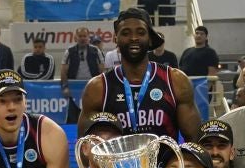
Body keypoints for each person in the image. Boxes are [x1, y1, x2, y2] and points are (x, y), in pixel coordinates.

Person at [79, 8, 202, 140]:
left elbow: (194, 140)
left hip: (164, 155)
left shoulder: (175, 81)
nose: (133, 38)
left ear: (150, 39)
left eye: (141, 32)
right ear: (116, 39)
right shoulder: (97, 88)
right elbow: (85, 147)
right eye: (125, 33)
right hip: (118, 155)